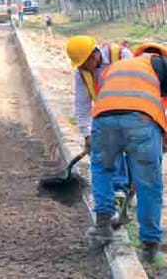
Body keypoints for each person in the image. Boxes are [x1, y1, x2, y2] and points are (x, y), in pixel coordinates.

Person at [87, 43, 167, 263]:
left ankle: (103, 225)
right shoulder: (161, 63)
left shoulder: (122, 64)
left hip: (103, 118)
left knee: (102, 169)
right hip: (141, 121)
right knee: (149, 183)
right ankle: (150, 244)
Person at [65, 35, 133, 222]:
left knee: (132, 156)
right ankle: (118, 192)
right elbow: (82, 106)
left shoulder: (121, 55)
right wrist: (87, 135)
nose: (80, 67)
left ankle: (124, 191)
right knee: (109, 149)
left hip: (134, 111)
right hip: (106, 116)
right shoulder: (82, 73)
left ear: (93, 56)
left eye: (82, 63)